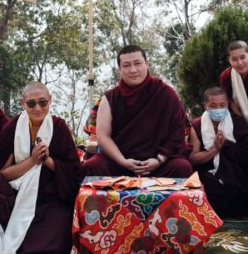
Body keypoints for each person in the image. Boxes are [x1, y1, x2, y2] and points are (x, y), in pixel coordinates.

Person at [0, 81, 81, 254]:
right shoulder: (12, 128)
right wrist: (32, 161)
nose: (38, 108)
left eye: (43, 102)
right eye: (31, 103)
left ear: (50, 101)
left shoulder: (59, 127)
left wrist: (48, 160)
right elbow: (3, 173)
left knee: (56, 242)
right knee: (20, 238)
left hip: (52, 196)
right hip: (19, 195)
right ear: (23, 103)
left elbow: (72, 171)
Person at [82, 45, 192, 178]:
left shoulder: (165, 93)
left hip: (159, 163)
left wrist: (158, 160)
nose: (133, 70)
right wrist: (123, 161)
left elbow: (177, 133)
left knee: (182, 168)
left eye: (138, 63)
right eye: (127, 65)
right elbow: (103, 136)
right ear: (120, 69)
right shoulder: (110, 98)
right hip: (119, 162)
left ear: (147, 64)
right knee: (91, 167)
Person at [189, 87, 248, 217]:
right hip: (207, 172)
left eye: (222, 105)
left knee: (237, 198)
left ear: (228, 104)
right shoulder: (196, 126)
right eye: (213, 106)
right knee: (208, 187)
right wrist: (215, 149)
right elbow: (193, 158)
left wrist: (228, 145)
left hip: (234, 172)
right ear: (205, 106)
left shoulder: (238, 123)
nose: (218, 109)